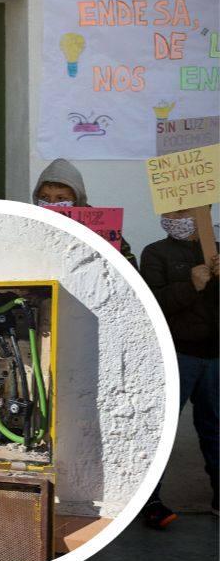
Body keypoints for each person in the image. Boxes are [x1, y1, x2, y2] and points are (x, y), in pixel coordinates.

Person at [138, 208, 219, 526]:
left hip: (214, 356)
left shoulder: (215, 250)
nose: (179, 215)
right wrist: (191, 284)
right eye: (173, 208)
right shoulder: (156, 253)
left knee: (215, 429)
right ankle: (150, 499)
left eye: (187, 209)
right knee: (160, 429)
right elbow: (152, 303)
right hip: (175, 355)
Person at [32, 158, 137, 267]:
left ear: (77, 199)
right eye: (44, 197)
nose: (52, 203)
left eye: (60, 198)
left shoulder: (101, 226)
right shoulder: (29, 223)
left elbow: (127, 266)